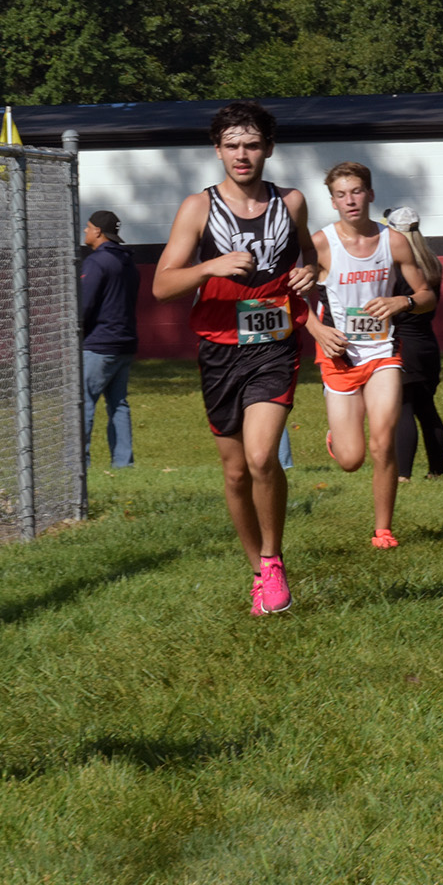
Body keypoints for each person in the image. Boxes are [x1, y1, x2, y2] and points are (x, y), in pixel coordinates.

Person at [153, 101, 318, 616]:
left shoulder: (290, 202)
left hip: (274, 345)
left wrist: (310, 271)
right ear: (218, 149)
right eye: (232, 145)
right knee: (235, 473)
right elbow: (162, 286)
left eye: (251, 144)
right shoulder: (197, 208)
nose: (242, 155)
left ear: (268, 148)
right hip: (220, 350)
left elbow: (307, 255)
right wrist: (211, 266)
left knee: (262, 455)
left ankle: (273, 560)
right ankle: (257, 574)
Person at [304, 164, 433, 548]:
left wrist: (403, 301)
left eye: (357, 192)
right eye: (342, 194)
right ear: (332, 201)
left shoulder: (394, 242)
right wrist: (318, 330)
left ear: (371, 195)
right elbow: (290, 296)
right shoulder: (320, 243)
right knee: (351, 459)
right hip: (339, 358)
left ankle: (383, 530)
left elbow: (427, 296)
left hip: (383, 352)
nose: (350, 200)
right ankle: (339, 439)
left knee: (382, 440)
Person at [383, 206, 443, 482]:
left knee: (404, 407)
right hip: (428, 345)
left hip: (404, 343)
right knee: (427, 408)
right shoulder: (433, 263)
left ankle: (403, 475)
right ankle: (436, 471)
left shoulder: (398, 267)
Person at [79, 209, 140, 468]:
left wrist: (74, 331)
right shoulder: (128, 262)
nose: (85, 231)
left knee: (83, 403)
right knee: (119, 404)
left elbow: (84, 305)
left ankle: (79, 465)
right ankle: (123, 463)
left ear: (98, 232)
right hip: (125, 342)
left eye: (88, 227)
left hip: (99, 344)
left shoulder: (96, 263)